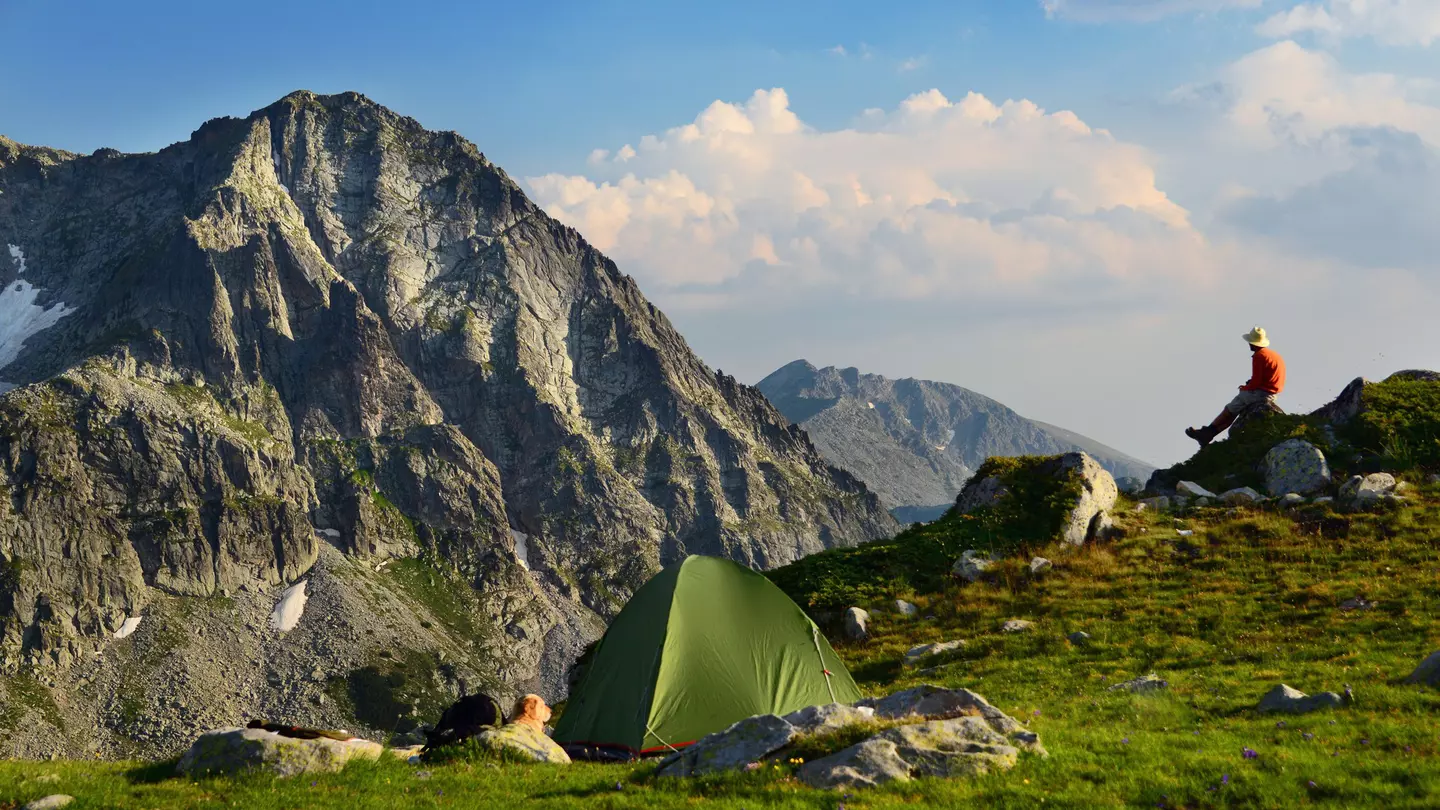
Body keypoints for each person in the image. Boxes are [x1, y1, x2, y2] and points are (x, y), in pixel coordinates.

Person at [1186, 326, 1286, 447]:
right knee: (1234, 411)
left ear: (1254, 343)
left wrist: (1245, 388)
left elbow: (1256, 381)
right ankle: (1208, 433)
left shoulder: (1259, 356)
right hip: (1272, 393)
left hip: (1262, 393)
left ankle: (1207, 432)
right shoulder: (1273, 354)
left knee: (1230, 408)